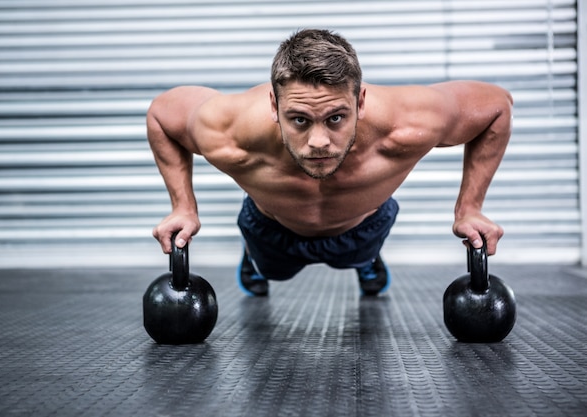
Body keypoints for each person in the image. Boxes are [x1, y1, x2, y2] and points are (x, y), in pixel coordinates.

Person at [147, 29, 512, 297]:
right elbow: (162, 115)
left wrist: (470, 208)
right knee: (270, 271)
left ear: (361, 101)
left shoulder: (409, 123)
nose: (319, 141)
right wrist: (183, 207)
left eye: (336, 117)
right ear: (274, 106)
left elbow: (497, 106)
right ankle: (253, 259)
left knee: (360, 253)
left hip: (363, 227)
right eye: (300, 120)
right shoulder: (228, 128)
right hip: (271, 231)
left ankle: (367, 260)